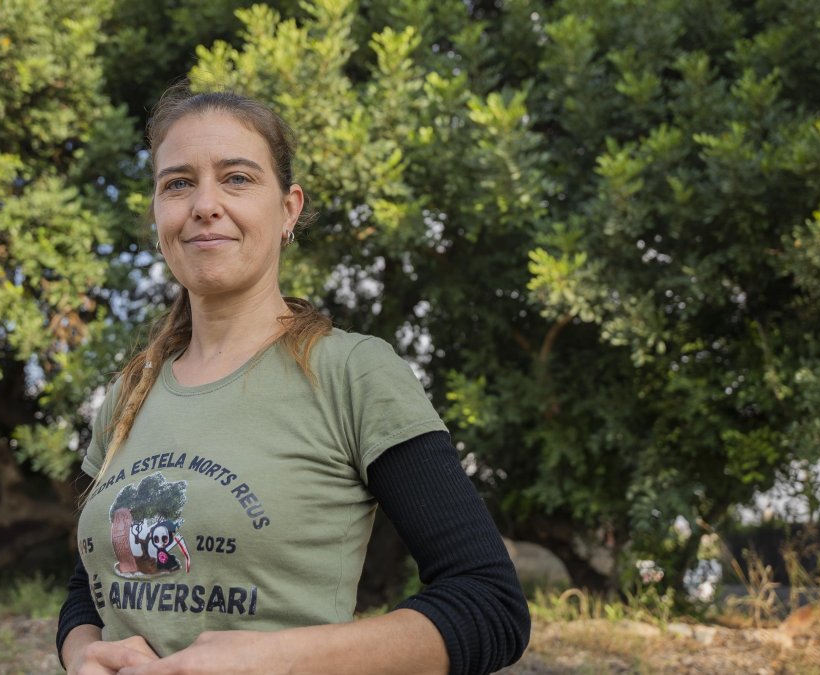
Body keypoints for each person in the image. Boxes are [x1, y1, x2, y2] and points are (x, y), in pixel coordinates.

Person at [57, 86, 530, 675]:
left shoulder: (353, 373)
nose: (204, 204)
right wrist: (83, 654)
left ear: (288, 209)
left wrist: (275, 659)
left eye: (237, 178)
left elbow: (489, 603)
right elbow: (89, 586)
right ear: (157, 213)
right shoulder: (129, 396)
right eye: (178, 183)